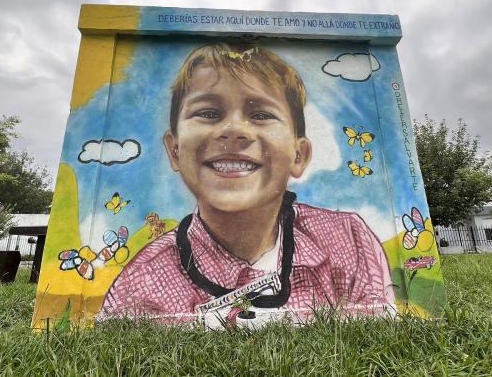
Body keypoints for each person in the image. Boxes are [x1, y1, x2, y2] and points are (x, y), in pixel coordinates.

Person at [98, 43, 393, 324]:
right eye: (208, 113)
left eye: (261, 115)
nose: (234, 130)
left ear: (298, 155)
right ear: (174, 151)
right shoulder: (141, 284)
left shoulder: (349, 242)